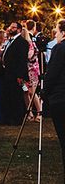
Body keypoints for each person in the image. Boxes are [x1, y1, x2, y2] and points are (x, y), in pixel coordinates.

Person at [42, 18, 65, 174]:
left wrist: (44, 91)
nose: (55, 34)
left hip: (60, 97)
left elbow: (53, 73)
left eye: (56, 31)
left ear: (63, 33)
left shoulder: (59, 48)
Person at [2, 20, 30, 125]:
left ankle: (17, 119)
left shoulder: (22, 42)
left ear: (19, 29)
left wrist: (20, 75)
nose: (10, 29)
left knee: (16, 96)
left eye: (13, 27)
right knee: (8, 95)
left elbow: (22, 60)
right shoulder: (9, 41)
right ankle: (8, 117)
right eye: (10, 27)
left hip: (15, 74)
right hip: (7, 72)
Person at [22, 24, 42, 121]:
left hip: (32, 70)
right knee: (25, 91)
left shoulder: (30, 44)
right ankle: (29, 113)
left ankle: (39, 112)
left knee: (32, 92)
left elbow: (29, 56)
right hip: (23, 70)